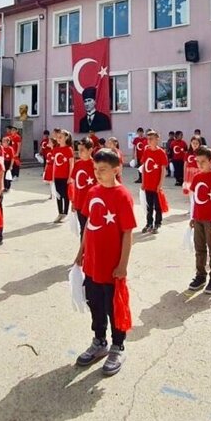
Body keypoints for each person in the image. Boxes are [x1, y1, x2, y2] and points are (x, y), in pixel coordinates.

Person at [73, 147, 136, 376]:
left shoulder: (122, 196)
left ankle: (117, 345)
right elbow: (89, 225)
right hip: (92, 263)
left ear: (116, 169)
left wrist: (122, 265)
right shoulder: (93, 192)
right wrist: (81, 251)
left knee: (113, 307)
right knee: (95, 304)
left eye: (103, 170)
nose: (98, 174)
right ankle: (99, 341)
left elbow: (128, 233)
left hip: (112, 266)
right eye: (95, 169)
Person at [187, 146, 211, 294]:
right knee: (199, 249)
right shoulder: (197, 177)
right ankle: (200, 275)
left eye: (203, 161)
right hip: (198, 218)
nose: (200, 164)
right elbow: (193, 199)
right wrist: (192, 217)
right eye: (198, 161)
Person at [139, 131, 168, 234]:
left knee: (157, 205)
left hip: (156, 184)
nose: (149, 141)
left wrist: (160, 184)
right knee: (149, 205)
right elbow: (143, 168)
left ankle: (157, 223)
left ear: (157, 139)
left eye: (151, 139)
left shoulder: (161, 153)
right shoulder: (146, 151)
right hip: (147, 184)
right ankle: (149, 223)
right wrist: (143, 182)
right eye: (148, 139)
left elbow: (163, 169)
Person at [71, 139, 97, 239]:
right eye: (78, 150)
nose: (79, 153)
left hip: (92, 203)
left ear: (90, 150)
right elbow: (74, 184)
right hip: (79, 203)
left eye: (82, 150)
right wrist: (73, 200)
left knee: (93, 228)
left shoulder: (95, 165)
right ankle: (83, 252)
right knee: (83, 228)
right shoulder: (77, 164)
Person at [51, 130, 74, 223]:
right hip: (57, 176)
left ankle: (65, 213)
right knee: (58, 195)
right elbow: (54, 164)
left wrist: (70, 177)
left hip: (65, 177)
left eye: (61, 137)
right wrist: (52, 177)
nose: (58, 139)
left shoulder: (69, 149)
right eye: (58, 137)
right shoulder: (56, 149)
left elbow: (71, 164)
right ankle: (60, 212)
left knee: (66, 195)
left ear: (66, 138)